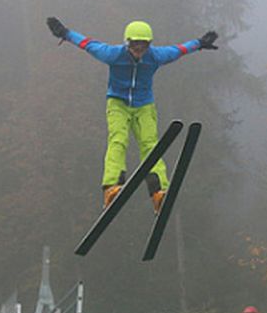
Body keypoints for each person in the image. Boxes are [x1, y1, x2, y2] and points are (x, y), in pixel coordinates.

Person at [46, 16, 218, 212]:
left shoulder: (156, 56)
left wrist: (200, 43)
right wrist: (66, 33)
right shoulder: (112, 54)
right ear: (127, 43)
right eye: (135, 46)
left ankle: (158, 191)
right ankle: (112, 186)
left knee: (150, 145)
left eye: (143, 46)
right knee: (118, 139)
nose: (139, 51)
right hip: (118, 103)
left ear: (149, 45)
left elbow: (179, 50)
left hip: (144, 105)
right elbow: (88, 44)